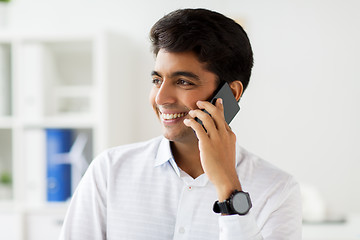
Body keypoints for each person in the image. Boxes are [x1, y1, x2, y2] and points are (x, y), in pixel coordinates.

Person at [59, 8, 302, 239]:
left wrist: (229, 187)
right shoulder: (109, 171)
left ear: (231, 93)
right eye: (157, 80)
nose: (161, 98)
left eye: (183, 82)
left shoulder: (277, 190)